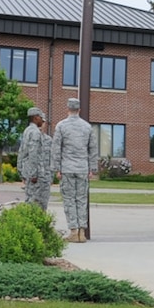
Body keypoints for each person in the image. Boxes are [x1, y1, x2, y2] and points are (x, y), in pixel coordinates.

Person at [52, 99, 99, 243]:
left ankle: (73, 231)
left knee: (69, 200)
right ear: (79, 110)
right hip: (82, 168)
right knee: (82, 200)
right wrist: (92, 168)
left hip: (67, 168)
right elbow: (93, 149)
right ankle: (82, 232)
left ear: (68, 109)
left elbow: (56, 148)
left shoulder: (61, 126)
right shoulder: (87, 127)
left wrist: (56, 168)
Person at [17, 105, 51, 212]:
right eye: (41, 118)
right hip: (37, 176)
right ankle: (38, 226)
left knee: (29, 201)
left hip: (28, 173)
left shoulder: (27, 131)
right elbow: (33, 154)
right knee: (39, 204)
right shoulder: (35, 133)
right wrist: (34, 174)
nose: (42, 121)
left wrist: (20, 171)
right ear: (36, 118)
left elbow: (21, 152)